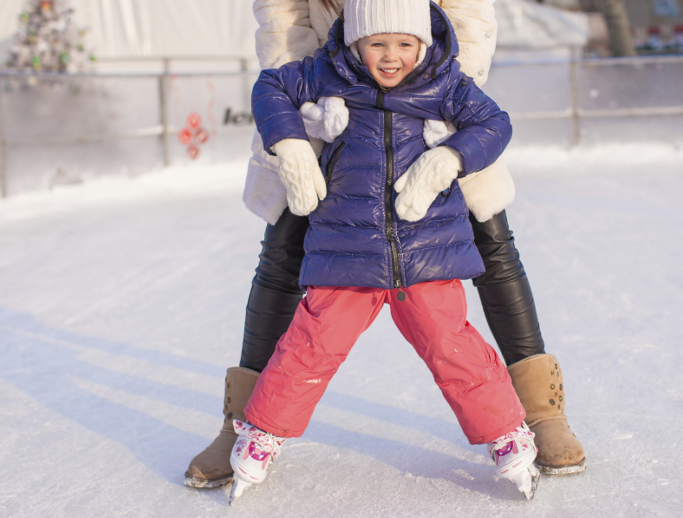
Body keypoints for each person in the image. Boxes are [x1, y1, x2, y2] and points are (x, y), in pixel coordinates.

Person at [184, 0, 584, 489]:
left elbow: (469, 15)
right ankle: (244, 421)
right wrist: (305, 114)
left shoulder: (439, 76)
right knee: (286, 251)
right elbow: (282, 14)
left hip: (431, 81)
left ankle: (540, 411)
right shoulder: (321, 74)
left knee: (491, 244)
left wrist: (444, 79)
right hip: (329, 86)